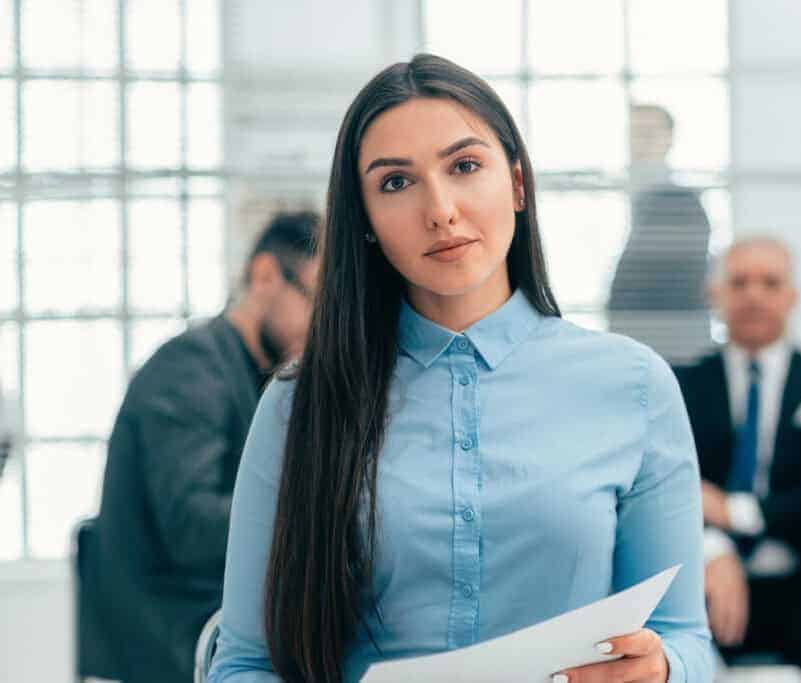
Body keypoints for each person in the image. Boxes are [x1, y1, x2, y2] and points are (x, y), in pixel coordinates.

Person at [209, 54, 713, 683]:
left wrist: (662, 669)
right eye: (396, 182)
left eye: (465, 166)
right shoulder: (300, 404)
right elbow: (244, 663)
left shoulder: (635, 386)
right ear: (364, 221)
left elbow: (686, 637)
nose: (440, 209)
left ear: (519, 184)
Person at [90, 212, 320, 683]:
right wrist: (313, 517)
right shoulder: (192, 367)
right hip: (169, 630)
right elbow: (191, 528)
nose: (320, 325)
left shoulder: (251, 375)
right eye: (316, 300)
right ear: (264, 276)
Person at [674, 237, 801, 682]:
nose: (754, 295)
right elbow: (661, 489)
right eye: (740, 282)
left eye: (770, 282)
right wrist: (714, 547)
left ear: (792, 295)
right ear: (716, 294)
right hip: (706, 582)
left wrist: (738, 512)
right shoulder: (679, 385)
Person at [608, 104, 712, 364]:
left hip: (669, 343)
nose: (639, 142)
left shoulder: (680, 203)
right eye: (634, 132)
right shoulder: (625, 195)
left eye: (648, 132)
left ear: (669, 140)